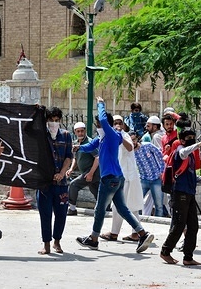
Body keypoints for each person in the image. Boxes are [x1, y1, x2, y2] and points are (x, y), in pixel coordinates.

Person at [75, 96, 154, 253]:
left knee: (99, 209)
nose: (98, 126)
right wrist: (78, 147)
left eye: (99, 124)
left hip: (109, 178)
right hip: (118, 178)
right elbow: (91, 145)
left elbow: (104, 120)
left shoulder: (110, 135)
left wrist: (101, 104)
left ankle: (94, 239)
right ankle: (142, 233)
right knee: (123, 209)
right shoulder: (103, 138)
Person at [160, 129, 201, 265]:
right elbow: (187, 150)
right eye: (189, 137)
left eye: (193, 137)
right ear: (182, 140)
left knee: (193, 226)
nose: (192, 139)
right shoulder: (181, 153)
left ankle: (188, 257)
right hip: (179, 193)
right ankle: (165, 251)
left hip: (189, 194)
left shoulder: (190, 157)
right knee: (179, 224)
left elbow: (191, 176)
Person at [99, 118, 143, 242]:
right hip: (119, 175)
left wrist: (120, 135)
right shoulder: (109, 137)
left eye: (120, 123)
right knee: (127, 206)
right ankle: (135, 233)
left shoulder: (124, 136)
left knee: (120, 206)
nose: (118, 125)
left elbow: (130, 147)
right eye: (115, 123)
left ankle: (115, 233)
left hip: (127, 176)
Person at [37, 106, 73, 255]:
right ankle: (46, 244)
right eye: (51, 120)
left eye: (56, 120)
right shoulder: (40, 136)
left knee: (61, 214)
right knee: (45, 214)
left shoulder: (65, 135)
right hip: (45, 184)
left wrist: (62, 173)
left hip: (61, 184)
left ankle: (57, 242)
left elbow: (68, 157)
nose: (54, 123)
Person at [66, 121, 100, 216]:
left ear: (85, 131)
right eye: (78, 131)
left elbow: (97, 158)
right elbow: (76, 158)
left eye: (82, 131)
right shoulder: (76, 143)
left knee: (74, 185)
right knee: (96, 191)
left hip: (92, 171)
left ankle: (72, 208)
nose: (80, 133)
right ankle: (106, 208)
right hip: (86, 172)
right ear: (75, 132)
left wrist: (91, 173)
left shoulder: (89, 143)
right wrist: (71, 169)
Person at [131, 132, 165, 217]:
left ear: (137, 139)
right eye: (130, 140)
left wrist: (162, 171)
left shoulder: (147, 146)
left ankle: (158, 223)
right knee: (136, 202)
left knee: (159, 205)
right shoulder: (129, 152)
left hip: (156, 178)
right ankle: (137, 222)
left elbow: (160, 156)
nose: (132, 142)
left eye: (134, 140)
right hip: (143, 179)